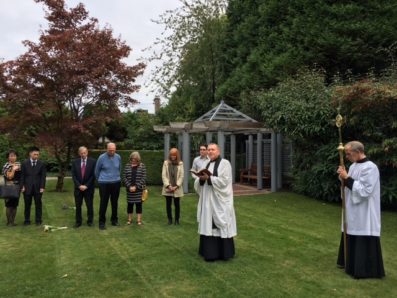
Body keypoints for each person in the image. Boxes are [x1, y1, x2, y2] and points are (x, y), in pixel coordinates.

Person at [337, 141, 385, 278]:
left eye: (348, 153)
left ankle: (365, 269)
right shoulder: (353, 166)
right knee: (350, 231)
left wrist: (347, 178)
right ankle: (350, 264)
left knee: (362, 234)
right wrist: (343, 178)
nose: (346, 156)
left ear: (358, 152)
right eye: (345, 154)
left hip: (365, 210)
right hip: (352, 208)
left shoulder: (371, 168)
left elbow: (366, 191)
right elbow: (349, 185)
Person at [194, 143, 237, 262]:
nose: (210, 152)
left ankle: (224, 253)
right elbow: (198, 183)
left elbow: (225, 181)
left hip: (219, 200)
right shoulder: (205, 163)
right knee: (208, 223)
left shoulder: (225, 164)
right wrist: (200, 179)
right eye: (208, 150)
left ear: (218, 151)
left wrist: (209, 179)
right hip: (208, 200)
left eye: (212, 149)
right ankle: (209, 253)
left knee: (219, 223)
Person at [95, 142, 122, 230]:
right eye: (110, 150)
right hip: (104, 183)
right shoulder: (101, 158)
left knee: (115, 203)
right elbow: (97, 171)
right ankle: (102, 222)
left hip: (116, 183)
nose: (112, 152)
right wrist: (101, 180)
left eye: (113, 150)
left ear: (115, 149)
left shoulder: (118, 157)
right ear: (107, 149)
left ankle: (114, 220)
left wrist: (117, 177)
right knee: (103, 203)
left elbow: (119, 168)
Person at [20, 146, 46, 225]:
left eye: (38, 155)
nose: (36, 156)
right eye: (35, 154)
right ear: (30, 154)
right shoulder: (24, 163)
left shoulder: (41, 164)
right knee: (27, 205)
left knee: (38, 204)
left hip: (38, 188)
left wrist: (42, 187)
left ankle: (38, 220)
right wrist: (22, 186)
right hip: (27, 188)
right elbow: (22, 176)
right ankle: (27, 220)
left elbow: (43, 176)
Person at [71, 146, 96, 228]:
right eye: (81, 153)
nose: (83, 154)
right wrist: (79, 185)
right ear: (79, 153)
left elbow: (93, 175)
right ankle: (78, 222)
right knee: (78, 206)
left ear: (87, 152)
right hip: (78, 189)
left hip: (88, 188)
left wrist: (86, 185)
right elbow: (73, 175)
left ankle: (90, 221)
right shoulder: (75, 162)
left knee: (89, 205)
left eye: (84, 153)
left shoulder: (93, 162)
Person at [123, 151, 146, 226]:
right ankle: (129, 219)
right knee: (130, 204)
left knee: (139, 205)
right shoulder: (127, 166)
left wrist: (136, 187)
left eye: (135, 159)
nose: (134, 160)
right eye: (132, 158)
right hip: (129, 190)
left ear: (138, 159)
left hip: (138, 190)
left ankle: (139, 220)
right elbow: (124, 177)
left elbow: (143, 178)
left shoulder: (142, 166)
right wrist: (129, 186)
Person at [161, 148, 184, 225]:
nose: (173, 156)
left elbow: (181, 176)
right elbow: (164, 175)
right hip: (168, 187)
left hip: (177, 188)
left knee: (177, 205)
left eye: (174, 155)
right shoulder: (166, 163)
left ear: (177, 155)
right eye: (171, 155)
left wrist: (176, 186)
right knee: (168, 204)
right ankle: (169, 219)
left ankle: (177, 220)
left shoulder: (180, 163)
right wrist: (168, 185)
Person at [2, 150, 21, 226]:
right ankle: (8, 222)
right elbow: (9, 177)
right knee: (9, 205)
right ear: (8, 157)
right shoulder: (6, 166)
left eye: (14, 155)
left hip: (17, 187)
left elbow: (21, 176)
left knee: (15, 205)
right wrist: (13, 169)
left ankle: (13, 222)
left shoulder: (18, 164)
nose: (13, 157)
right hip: (9, 187)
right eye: (11, 156)